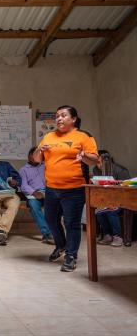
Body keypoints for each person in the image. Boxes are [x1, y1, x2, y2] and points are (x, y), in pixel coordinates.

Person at [34, 105, 98, 272]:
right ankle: (61, 245)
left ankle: (71, 256)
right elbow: (36, 159)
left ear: (74, 119)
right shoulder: (48, 136)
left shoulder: (83, 136)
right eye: (57, 116)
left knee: (71, 223)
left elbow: (94, 160)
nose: (59, 119)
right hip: (52, 188)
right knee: (50, 220)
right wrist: (39, 150)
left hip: (74, 189)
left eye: (63, 115)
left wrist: (84, 156)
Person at [93, 149, 131, 247]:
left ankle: (118, 236)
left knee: (111, 211)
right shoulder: (96, 170)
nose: (98, 165)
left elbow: (127, 189)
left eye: (99, 162)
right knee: (98, 212)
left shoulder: (120, 170)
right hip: (106, 199)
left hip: (123, 199)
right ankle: (107, 235)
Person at [19, 147, 53, 244]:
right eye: (35, 155)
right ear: (29, 156)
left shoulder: (45, 166)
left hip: (48, 191)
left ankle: (55, 232)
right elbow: (24, 185)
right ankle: (47, 234)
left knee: (53, 206)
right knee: (34, 205)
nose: (38, 157)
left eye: (40, 155)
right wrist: (35, 193)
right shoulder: (23, 170)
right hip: (33, 194)